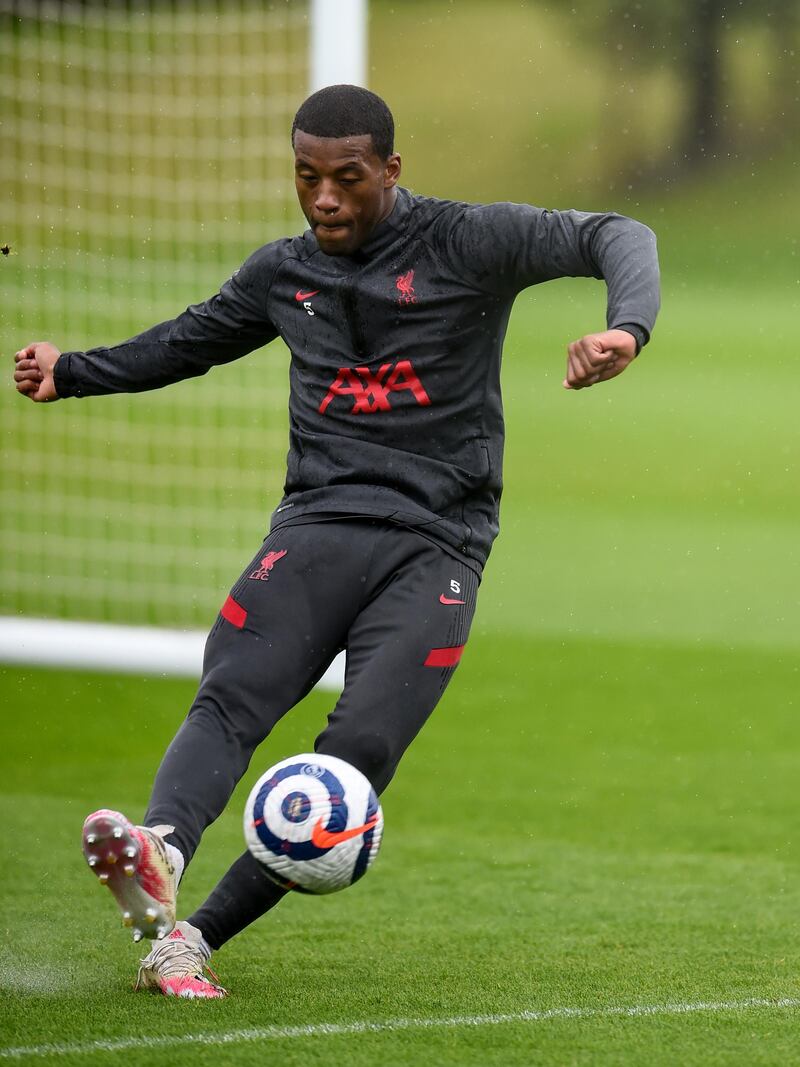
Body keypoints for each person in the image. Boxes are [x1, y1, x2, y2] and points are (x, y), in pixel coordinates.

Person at [13, 84, 660, 999]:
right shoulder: (282, 273)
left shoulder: (467, 242)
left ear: (390, 172)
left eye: (347, 179)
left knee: (357, 754)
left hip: (437, 543)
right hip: (317, 525)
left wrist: (626, 327)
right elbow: (190, 341)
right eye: (307, 177)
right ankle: (159, 848)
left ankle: (190, 939)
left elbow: (618, 233)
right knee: (233, 693)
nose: (325, 198)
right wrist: (70, 373)